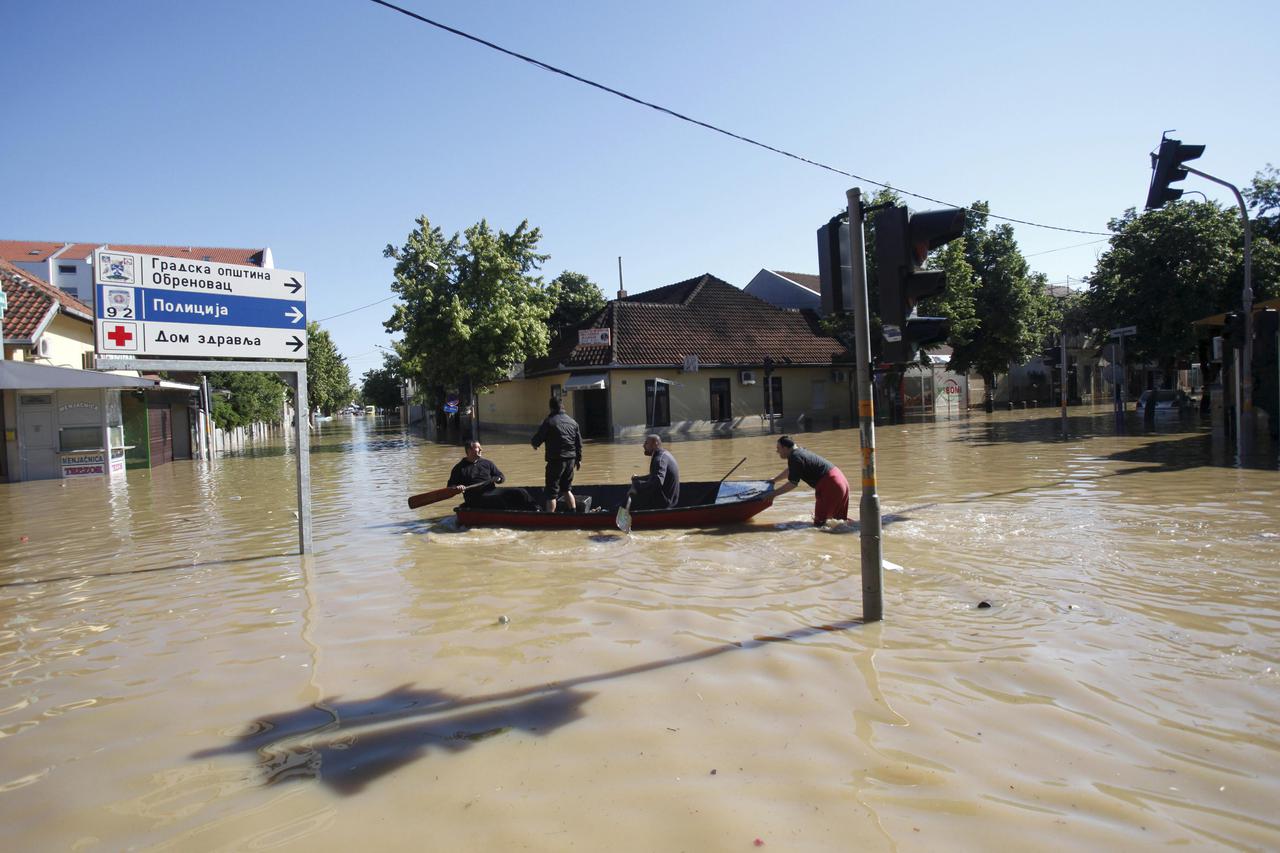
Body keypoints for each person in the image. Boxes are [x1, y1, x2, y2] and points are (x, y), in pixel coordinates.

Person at [769, 435, 849, 526]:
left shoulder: (794, 457)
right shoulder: (800, 451)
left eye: (778, 448)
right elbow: (791, 470)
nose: (777, 451)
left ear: (785, 448)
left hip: (831, 485)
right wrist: (775, 480)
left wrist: (773, 494)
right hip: (841, 480)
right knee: (840, 523)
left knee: (819, 525)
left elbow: (792, 483)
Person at [447, 440, 535, 510]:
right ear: (469, 450)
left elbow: (501, 476)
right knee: (499, 499)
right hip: (475, 498)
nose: (481, 449)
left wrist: (499, 479)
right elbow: (450, 486)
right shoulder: (459, 468)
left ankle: (535, 510)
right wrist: (458, 487)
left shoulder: (487, 463)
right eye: (478, 448)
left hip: (492, 491)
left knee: (521, 491)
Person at [531, 396, 582, 512]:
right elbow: (579, 443)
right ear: (562, 406)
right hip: (570, 460)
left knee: (551, 493)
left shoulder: (549, 421)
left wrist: (535, 444)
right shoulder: (573, 422)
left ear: (551, 408)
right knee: (566, 489)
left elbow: (537, 439)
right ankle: (573, 514)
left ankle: (550, 519)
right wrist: (579, 460)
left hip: (556, 461)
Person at [626, 434, 680, 511]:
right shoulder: (662, 454)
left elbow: (657, 481)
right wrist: (638, 479)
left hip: (665, 503)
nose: (643, 446)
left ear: (655, 444)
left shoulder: (659, 460)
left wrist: (637, 486)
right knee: (633, 487)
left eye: (646, 443)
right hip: (669, 499)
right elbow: (654, 476)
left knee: (633, 496)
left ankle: (613, 512)